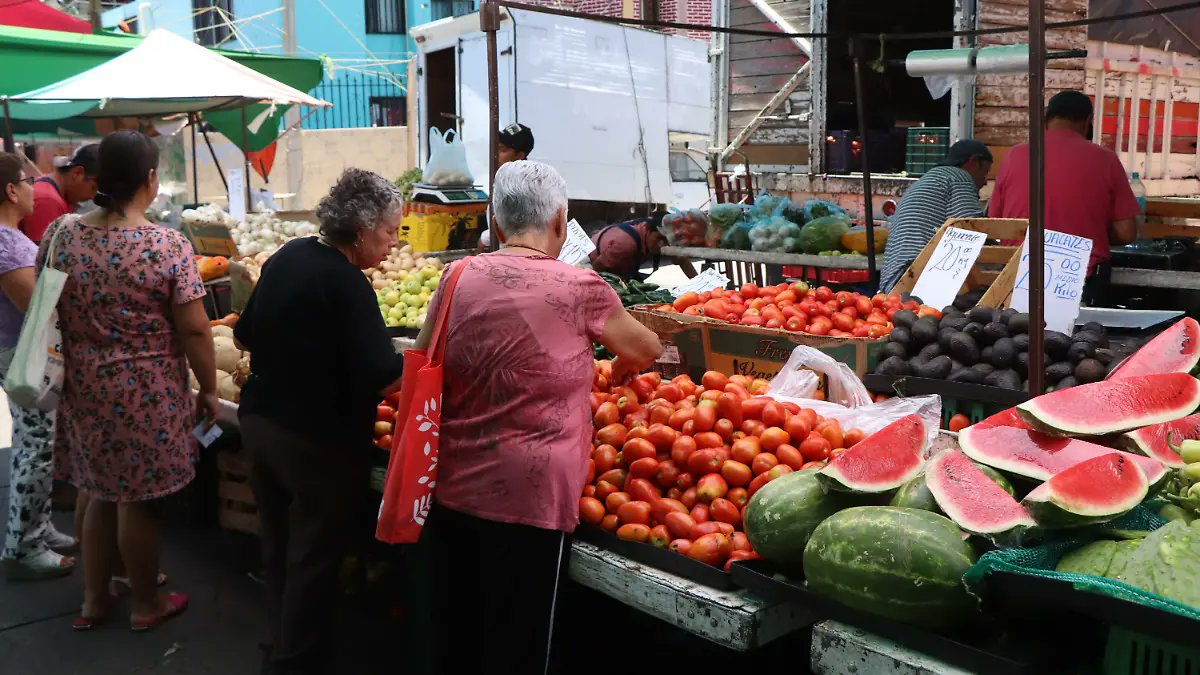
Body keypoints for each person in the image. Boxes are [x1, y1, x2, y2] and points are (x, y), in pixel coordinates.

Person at [418, 160, 663, 675]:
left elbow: (421, 358)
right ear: (560, 222)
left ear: (497, 225)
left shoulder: (455, 275)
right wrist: (620, 362)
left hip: (454, 482)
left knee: (455, 632)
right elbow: (647, 348)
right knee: (518, 640)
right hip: (531, 499)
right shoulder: (581, 287)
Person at [235, 168, 406, 675]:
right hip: (315, 442)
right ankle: (294, 665)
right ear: (360, 229)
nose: (393, 243)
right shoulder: (348, 282)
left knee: (280, 547)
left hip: (262, 424)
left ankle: (277, 645)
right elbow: (382, 377)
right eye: (390, 232)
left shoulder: (290, 255)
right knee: (313, 558)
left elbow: (243, 335)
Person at [44, 131, 217, 631]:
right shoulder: (166, 245)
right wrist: (207, 387)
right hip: (147, 392)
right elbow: (193, 326)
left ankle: (95, 600)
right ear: (150, 180)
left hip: (83, 385)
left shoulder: (61, 234)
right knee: (138, 501)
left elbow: (50, 304)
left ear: (96, 179)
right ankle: (146, 604)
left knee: (97, 491)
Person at [0, 153, 77, 580]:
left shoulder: (10, 237)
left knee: (36, 442)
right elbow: (35, 307)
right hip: (22, 354)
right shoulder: (6, 243)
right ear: (11, 190)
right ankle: (24, 544)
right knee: (36, 448)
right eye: (29, 181)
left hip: (18, 351)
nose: (36, 188)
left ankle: (39, 526)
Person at [988, 90, 1139, 302]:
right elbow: (1126, 233)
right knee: (1079, 335)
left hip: (1017, 275)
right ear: (1088, 122)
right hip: (1079, 278)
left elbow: (997, 222)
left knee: (1018, 334)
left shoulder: (1015, 155)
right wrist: (1089, 232)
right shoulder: (1105, 159)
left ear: (1046, 120)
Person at [877, 139, 993, 292]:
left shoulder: (931, 178)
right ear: (973, 161)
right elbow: (971, 228)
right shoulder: (960, 177)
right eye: (984, 172)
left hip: (894, 278)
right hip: (913, 277)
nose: (984, 182)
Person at [18, 143, 98, 245]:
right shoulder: (48, 201)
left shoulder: (52, 192)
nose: (93, 196)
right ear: (77, 173)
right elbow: (43, 256)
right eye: (93, 188)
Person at [589, 212, 671, 280]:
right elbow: (595, 269)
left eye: (667, 241)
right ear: (649, 230)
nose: (662, 244)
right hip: (591, 262)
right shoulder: (626, 244)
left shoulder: (650, 225)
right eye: (658, 238)